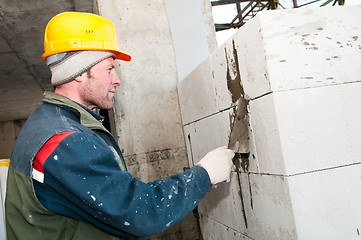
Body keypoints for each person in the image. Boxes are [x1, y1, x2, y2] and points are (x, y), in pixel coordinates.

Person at [5, 12, 234, 239]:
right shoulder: (65, 142)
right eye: (109, 69)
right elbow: (139, 213)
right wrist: (204, 175)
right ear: (78, 72)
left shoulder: (52, 121)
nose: (117, 80)